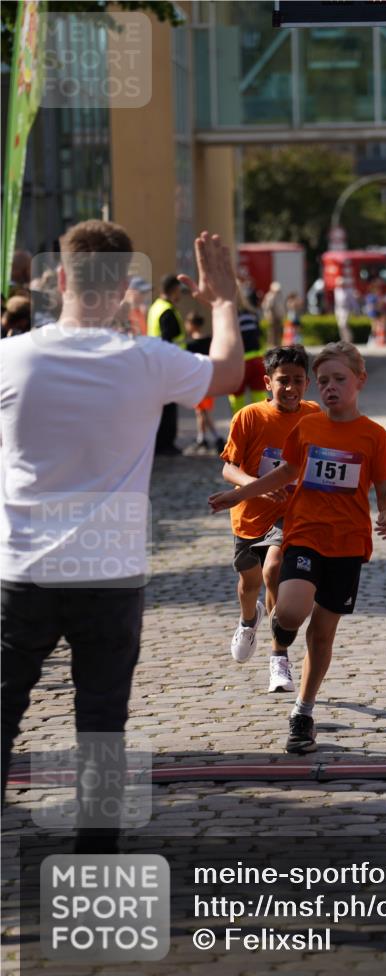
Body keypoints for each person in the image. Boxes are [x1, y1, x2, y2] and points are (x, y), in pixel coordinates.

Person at [1, 222, 244, 849]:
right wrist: (222, 304)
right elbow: (226, 372)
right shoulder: (146, 360)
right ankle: (96, 856)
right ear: (124, 289)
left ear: (61, 279)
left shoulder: (12, 357)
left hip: (21, 573)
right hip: (109, 575)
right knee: (103, 722)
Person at [209, 342, 386, 754]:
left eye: (339, 380)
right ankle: (277, 637)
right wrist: (239, 495)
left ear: (359, 382)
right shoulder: (307, 428)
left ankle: (303, 711)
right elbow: (286, 472)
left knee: (323, 635)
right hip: (304, 534)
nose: (330, 388)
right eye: (325, 381)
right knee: (292, 610)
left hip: (348, 545)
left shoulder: (375, 436)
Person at [221, 345, 320, 693]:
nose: (291, 388)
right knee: (249, 585)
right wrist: (256, 487)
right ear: (267, 382)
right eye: (283, 381)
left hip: (290, 514)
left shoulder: (313, 415)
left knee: (274, 570)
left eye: (297, 381)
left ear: (307, 382)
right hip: (249, 516)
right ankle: (249, 620)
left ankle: (279, 658)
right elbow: (228, 467)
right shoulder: (249, 417)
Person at [147, 274, 187, 455]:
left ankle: (160, 443)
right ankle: (166, 444)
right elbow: (168, 341)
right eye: (179, 290)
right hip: (168, 365)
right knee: (169, 407)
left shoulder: (155, 307)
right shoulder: (167, 311)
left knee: (161, 405)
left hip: (157, 364)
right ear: (173, 290)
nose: (180, 294)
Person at [185, 311, 226, 453]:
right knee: (200, 410)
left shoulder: (190, 345)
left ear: (192, 325)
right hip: (209, 377)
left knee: (203, 411)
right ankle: (201, 438)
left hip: (197, 380)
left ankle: (217, 437)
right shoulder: (209, 340)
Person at [229, 284, 266, 416]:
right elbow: (260, 335)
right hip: (257, 359)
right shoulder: (252, 313)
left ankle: (240, 431)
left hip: (240, 362)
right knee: (260, 401)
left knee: (237, 403)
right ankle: (263, 430)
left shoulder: (230, 316)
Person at [261, 281, 284, 350]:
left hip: (279, 317)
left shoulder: (279, 296)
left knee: (279, 332)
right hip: (272, 317)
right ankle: (271, 346)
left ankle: (278, 346)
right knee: (272, 332)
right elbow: (267, 307)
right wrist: (269, 315)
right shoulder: (269, 296)